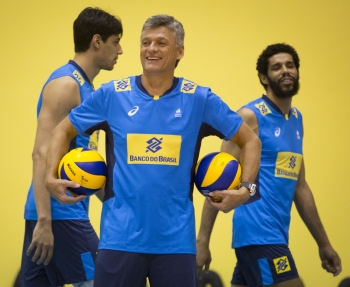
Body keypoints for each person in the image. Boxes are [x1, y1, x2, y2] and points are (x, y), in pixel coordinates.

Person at [44, 14, 261, 287]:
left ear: (180, 51)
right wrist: (51, 177)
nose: (151, 49)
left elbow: (251, 141)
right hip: (119, 239)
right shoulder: (113, 95)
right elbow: (62, 130)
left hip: (176, 243)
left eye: (161, 43)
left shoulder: (199, 99)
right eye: (145, 42)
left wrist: (246, 190)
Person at [196, 43, 342, 287]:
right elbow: (217, 179)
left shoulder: (297, 119)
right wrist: (203, 241)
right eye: (277, 67)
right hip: (257, 235)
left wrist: (323, 243)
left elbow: (300, 187)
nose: (286, 71)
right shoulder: (249, 116)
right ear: (264, 77)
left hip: (275, 236)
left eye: (290, 65)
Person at [20, 7, 123, 287]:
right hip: (59, 214)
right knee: (101, 281)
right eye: (116, 42)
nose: (121, 50)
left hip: (55, 213)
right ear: (97, 41)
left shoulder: (86, 88)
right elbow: (41, 152)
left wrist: (120, 205)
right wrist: (45, 220)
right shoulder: (66, 84)